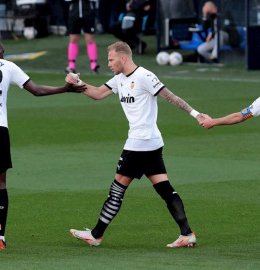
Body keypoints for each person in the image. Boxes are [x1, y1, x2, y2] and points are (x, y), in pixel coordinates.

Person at [66, 41, 205, 248]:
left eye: (111, 60)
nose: (109, 64)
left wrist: (196, 114)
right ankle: (186, 234)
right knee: (164, 188)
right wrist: (77, 83)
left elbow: (170, 96)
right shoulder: (119, 79)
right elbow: (97, 94)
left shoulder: (144, 76)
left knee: (117, 189)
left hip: (139, 143)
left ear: (123, 58)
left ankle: (95, 235)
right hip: (151, 143)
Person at [0, 38, 85, 249]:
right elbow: (37, 90)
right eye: (2, 51)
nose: (3, 54)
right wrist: (65, 89)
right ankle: (0, 239)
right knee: (0, 184)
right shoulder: (9, 66)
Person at [65, 0, 100, 74]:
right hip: (74, 12)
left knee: (89, 39)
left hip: (88, 12)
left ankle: (94, 65)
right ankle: (71, 66)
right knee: (73, 39)